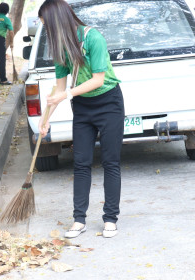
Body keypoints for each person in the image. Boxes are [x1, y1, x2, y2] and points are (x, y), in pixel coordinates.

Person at [38, 0, 125, 238]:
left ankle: (110, 219)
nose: (47, 32)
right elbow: (59, 88)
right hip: (83, 107)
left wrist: (66, 95)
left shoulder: (93, 38)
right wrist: (46, 119)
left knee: (110, 162)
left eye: (47, 26)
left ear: (57, 22)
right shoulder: (60, 48)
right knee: (81, 163)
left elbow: (98, 79)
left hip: (109, 103)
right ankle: (79, 220)